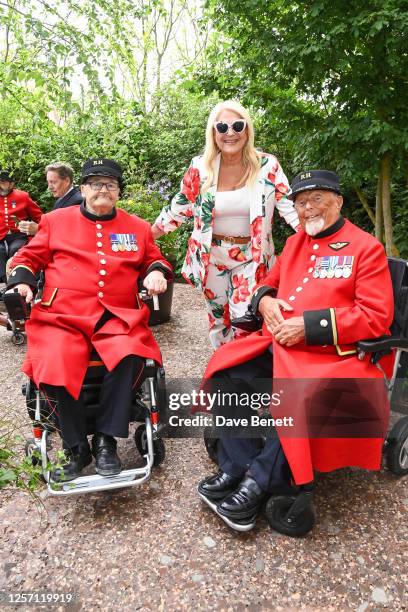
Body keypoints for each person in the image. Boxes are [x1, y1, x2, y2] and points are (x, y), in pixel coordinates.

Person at [197, 169, 394, 527]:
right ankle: (236, 466)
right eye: (301, 202)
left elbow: (375, 317)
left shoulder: (366, 248)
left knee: (294, 398)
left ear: (339, 202)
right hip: (281, 346)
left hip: (334, 358)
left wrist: (308, 326)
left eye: (317, 199)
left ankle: (260, 481)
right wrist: (265, 303)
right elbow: (267, 285)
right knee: (227, 373)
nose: (308, 209)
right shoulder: (296, 243)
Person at [7, 159, 172, 481]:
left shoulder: (137, 226)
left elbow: (156, 259)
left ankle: (106, 443)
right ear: (82, 189)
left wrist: (155, 273)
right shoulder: (55, 221)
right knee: (53, 359)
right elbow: (28, 257)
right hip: (61, 316)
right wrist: (23, 281)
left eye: (110, 185)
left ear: (118, 192)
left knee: (128, 355)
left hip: (117, 316)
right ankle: (76, 447)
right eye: (95, 183)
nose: (103, 190)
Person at [151, 100, 300, 348]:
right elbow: (179, 207)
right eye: (222, 127)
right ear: (213, 132)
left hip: (252, 258)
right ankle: (222, 376)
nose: (230, 133)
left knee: (246, 320)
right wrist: (144, 236)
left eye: (237, 125)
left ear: (247, 130)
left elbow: (291, 209)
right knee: (219, 323)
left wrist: (322, 239)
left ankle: (247, 377)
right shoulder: (200, 167)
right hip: (212, 258)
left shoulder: (267, 166)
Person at [0, 170, 42, 283]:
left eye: (4, 182)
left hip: (18, 236)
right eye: (1, 181)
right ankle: (6, 283)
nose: (0, 184)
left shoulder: (22, 196)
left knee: (16, 250)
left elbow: (39, 216)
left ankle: (16, 281)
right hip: (1, 237)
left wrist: (41, 228)